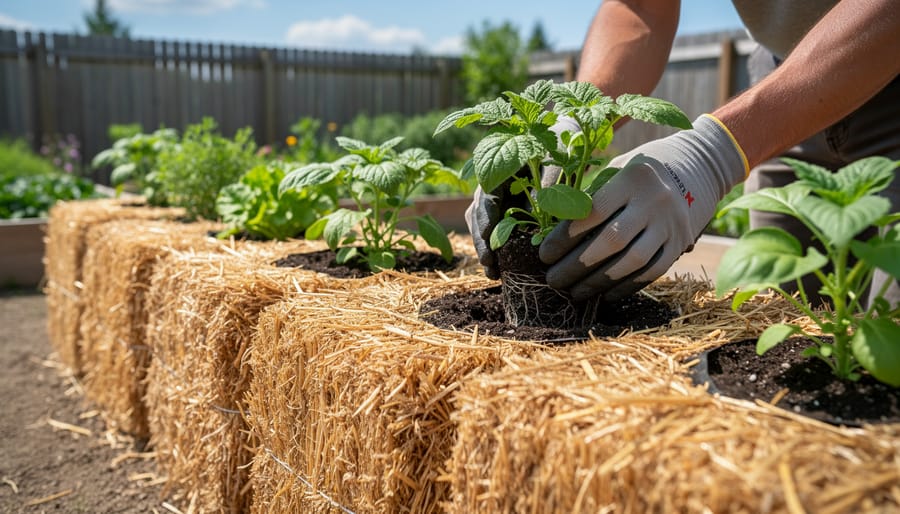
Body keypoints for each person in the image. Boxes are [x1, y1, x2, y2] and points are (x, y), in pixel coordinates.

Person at [467, 0, 899, 308]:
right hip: (786, 73)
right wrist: (568, 125)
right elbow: (642, 7)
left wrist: (713, 155)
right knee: (781, 322)